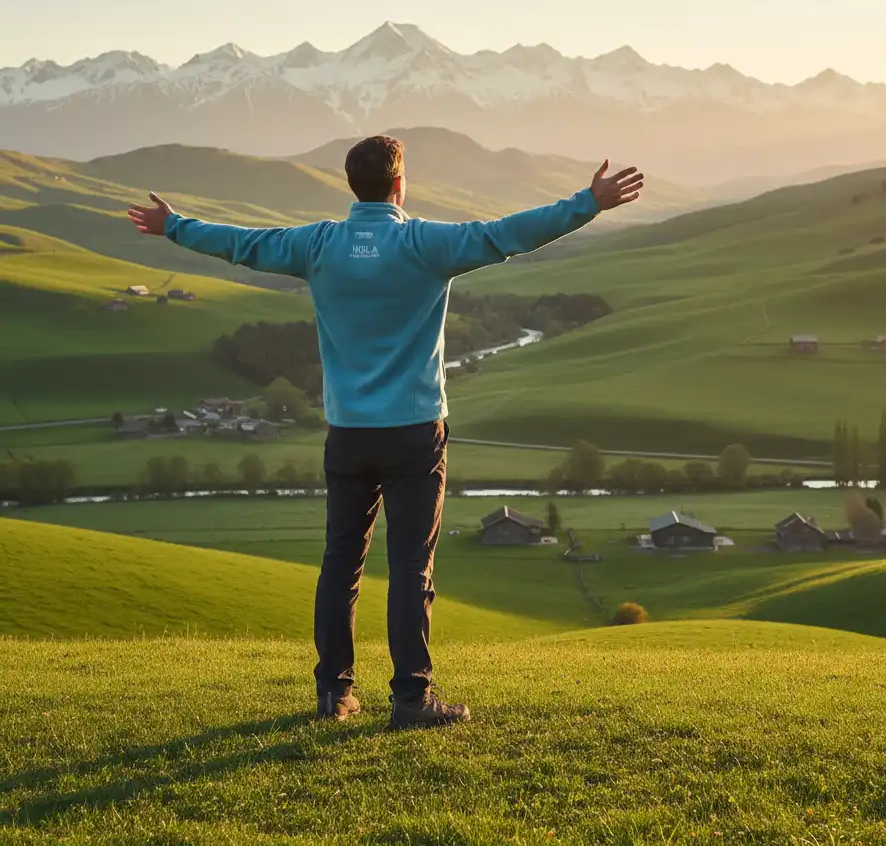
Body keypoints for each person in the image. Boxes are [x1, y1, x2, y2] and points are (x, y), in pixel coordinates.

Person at [128, 135, 643, 729]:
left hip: (347, 433)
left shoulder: (317, 244)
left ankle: (333, 694)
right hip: (414, 434)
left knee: (340, 564)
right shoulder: (425, 243)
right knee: (409, 569)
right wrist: (589, 202)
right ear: (401, 184)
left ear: (352, 186)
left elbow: (242, 245)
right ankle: (410, 699)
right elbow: (509, 233)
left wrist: (174, 226)